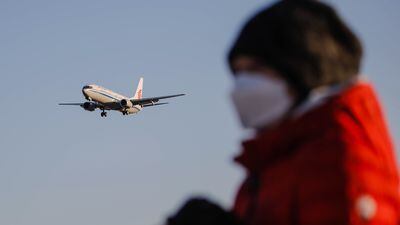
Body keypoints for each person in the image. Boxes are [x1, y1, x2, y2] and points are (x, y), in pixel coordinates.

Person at [166, 1, 400, 225]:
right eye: (238, 73)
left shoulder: (341, 158)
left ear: (302, 72)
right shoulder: (272, 164)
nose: (242, 85)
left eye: (255, 69)